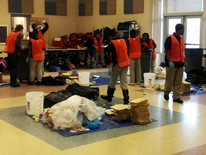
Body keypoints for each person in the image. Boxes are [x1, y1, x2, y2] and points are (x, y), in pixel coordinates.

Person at [101, 30, 130, 104]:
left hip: (118, 64)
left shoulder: (112, 43)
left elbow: (114, 55)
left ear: (111, 36)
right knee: (124, 81)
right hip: (126, 63)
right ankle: (126, 98)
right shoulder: (123, 40)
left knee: (113, 80)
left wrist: (112, 64)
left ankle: (109, 97)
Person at [164, 24, 187, 103]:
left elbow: (182, 51)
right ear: (179, 29)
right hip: (172, 63)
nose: (184, 31)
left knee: (178, 81)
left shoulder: (181, 38)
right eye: (183, 29)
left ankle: (176, 97)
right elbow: (167, 51)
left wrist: (184, 60)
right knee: (170, 80)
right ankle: (166, 92)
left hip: (180, 63)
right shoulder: (170, 38)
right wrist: (169, 61)